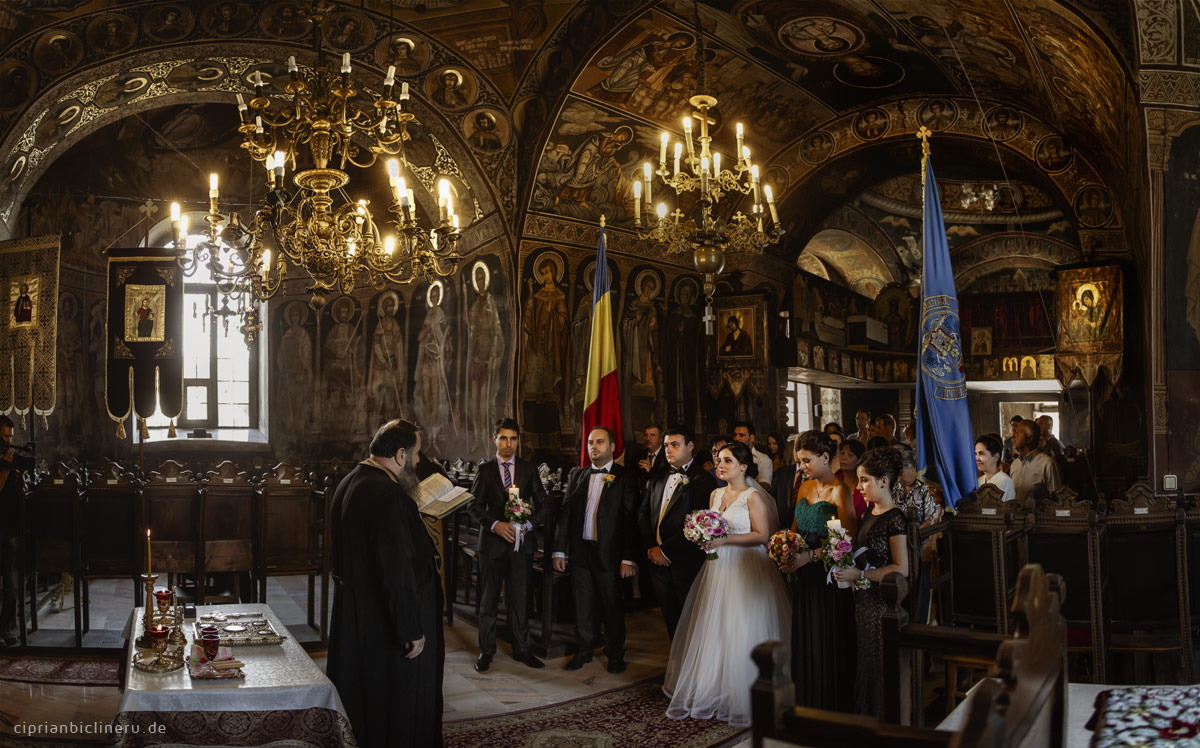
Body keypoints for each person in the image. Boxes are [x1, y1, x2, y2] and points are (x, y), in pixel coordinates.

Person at [327, 420, 442, 747]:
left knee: (361, 706)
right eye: (417, 454)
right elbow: (396, 569)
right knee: (391, 710)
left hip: (355, 615)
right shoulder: (387, 494)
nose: (419, 462)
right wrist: (411, 629)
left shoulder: (350, 481)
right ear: (401, 455)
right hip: (381, 624)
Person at [663, 441, 790, 726]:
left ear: (743, 466)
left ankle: (745, 693)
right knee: (717, 625)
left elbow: (761, 535)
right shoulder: (715, 493)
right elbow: (711, 525)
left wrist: (725, 540)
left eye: (728, 460)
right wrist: (704, 538)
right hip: (718, 566)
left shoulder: (753, 497)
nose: (720, 465)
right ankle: (717, 688)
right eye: (719, 460)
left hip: (747, 567)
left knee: (743, 624)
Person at [780, 430, 857, 711]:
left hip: (829, 578)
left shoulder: (841, 490)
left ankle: (831, 704)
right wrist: (785, 547)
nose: (801, 467)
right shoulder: (804, 488)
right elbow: (795, 530)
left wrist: (809, 556)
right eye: (799, 461)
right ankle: (807, 701)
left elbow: (847, 543)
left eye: (805, 460)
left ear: (825, 457)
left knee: (827, 639)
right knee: (806, 637)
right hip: (804, 577)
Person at [553, 427, 639, 673]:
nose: (594, 447)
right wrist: (560, 551)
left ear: (612, 446)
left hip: (610, 555)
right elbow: (567, 513)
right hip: (581, 553)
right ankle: (584, 650)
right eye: (590, 442)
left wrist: (628, 558)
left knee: (611, 606)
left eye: (600, 442)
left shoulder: (626, 477)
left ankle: (614, 653)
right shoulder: (578, 475)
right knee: (583, 605)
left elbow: (630, 520)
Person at [832, 447, 909, 717]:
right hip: (864, 601)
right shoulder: (869, 514)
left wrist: (861, 575)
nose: (859, 486)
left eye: (865, 480)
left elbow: (902, 568)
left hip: (884, 605)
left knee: (879, 664)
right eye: (859, 480)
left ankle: (883, 721)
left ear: (883, 481)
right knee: (865, 663)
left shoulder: (894, 517)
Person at [469, 418, 551, 672]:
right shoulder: (485, 471)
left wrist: (525, 526)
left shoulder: (528, 469)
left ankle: (522, 649)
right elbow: (473, 506)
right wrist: (495, 525)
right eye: (503, 438)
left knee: (520, 599)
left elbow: (545, 505)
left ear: (518, 440)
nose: (509, 444)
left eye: (513, 438)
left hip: (520, 546)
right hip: (492, 546)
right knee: (488, 600)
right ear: (495, 439)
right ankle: (486, 651)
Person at [638, 426, 718, 639]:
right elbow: (643, 514)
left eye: (675, 445)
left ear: (690, 446)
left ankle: (690, 667)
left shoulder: (703, 480)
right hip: (655, 561)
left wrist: (665, 551)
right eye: (666, 445)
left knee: (690, 620)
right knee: (670, 619)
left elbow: (698, 524)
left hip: (685, 562)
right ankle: (676, 663)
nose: (668, 450)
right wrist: (651, 549)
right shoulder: (656, 477)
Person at [0, 416, 33, 647]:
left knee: (11, 585)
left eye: (10, 437)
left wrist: (11, 463)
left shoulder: (8, 457)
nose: (8, 442)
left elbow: (28, 463)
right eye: (4, 437)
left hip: (10, 529)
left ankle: (6, 628)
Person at [1010, 420, 1062, 503]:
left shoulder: (1047, 464)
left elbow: (1057, 500)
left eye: (1019, 432)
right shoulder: (1014, 464)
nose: (1013, 435)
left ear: (1029, 438)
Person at [769, 435, 803, 525]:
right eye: (795, 448)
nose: (796, 452)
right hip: (782, 526)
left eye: (800, 448)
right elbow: (772, 500)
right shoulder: (781, 473)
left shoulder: (814, 475)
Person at [733, 421, 773, 487]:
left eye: (741, 435)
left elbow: (765, 486)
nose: (736, 438)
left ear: (751, 438)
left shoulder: (763, 459)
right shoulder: (730, 457)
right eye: (735, 435)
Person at [976, 433, 1015, 501]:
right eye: (975, 454)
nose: (977, 458)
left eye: (981, 454)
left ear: (996, 457)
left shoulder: (1005, 481)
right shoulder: (979, 481)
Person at [837, 438, 869, 521]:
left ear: (859, 459)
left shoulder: (866, 483)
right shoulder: (834, 481)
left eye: (850, 455)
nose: (844, 457)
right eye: (842, 453)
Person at [635, 424, 667, 489]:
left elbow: (665, 480)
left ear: (661, 439)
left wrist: (651, 471)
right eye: (645, 435)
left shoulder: (667, 456)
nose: (648, 439)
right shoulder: (637, 456)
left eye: (652, 435)